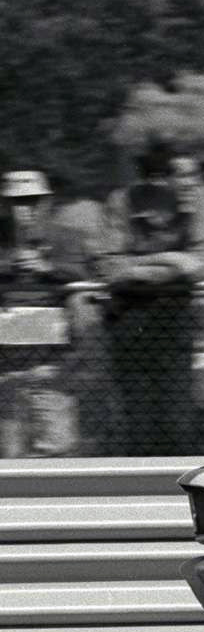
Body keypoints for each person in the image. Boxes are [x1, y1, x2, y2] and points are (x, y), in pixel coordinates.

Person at [97, 149, 204, 454]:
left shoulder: (200, 198)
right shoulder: (123, 201)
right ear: (158, 179)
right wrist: (175, 260)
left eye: (195, 174)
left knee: (177, 417)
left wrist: (142, 264)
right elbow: (111, 268)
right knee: (135, 417)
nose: (191, 183)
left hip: (175, 315)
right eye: (181, 175)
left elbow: (203, 264)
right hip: (129, 316)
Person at [0, 171, 91, 456]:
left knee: (57, 449)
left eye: (33, 201)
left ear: (46, 202)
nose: (26, 209)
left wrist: (48, 268)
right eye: (18, 202)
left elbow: (85, 276)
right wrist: (9, 266)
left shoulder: (66, 237)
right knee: (10, 454)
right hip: (9, 362)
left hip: (51, 362)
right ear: (6, 205)